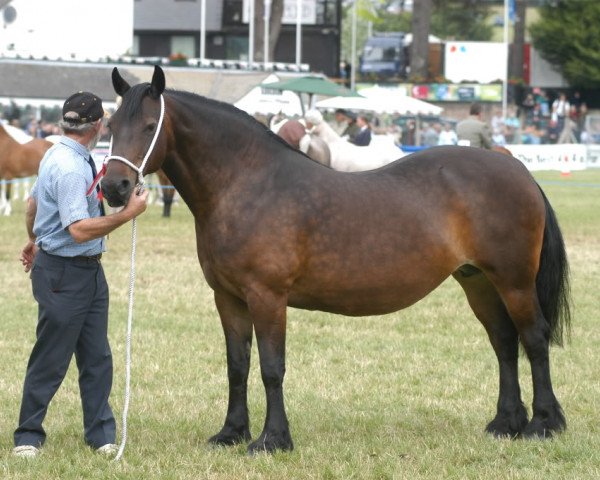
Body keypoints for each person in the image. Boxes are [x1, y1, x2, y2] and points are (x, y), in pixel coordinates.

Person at [13, 91, 149, 458]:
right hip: (65, 273)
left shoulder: (58, 154)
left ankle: (101, 434)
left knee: (96, 356)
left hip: (82, 271)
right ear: (97, 126)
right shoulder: (72, 167)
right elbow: (78, 229)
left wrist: (34, 239)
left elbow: (32, 204)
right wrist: (127, 213)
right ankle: (27, 437)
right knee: (52, 358)